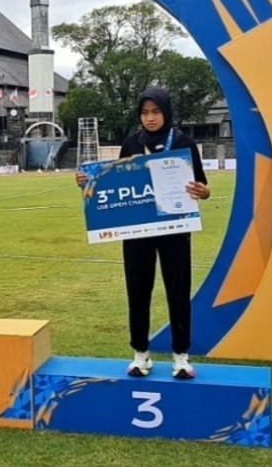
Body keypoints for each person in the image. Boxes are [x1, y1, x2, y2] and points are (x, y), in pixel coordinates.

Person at [75, 87, 210, 379]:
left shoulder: (183, 143)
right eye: (145, 112)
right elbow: (113, 181)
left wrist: (204, 191)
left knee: (178, 291)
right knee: (137, 291)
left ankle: (181, 357)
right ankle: (140, 355)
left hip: (175, 230)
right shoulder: (132, 143)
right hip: (137, 231)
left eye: (156, 112)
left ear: (166, 112)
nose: (150, 118)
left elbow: (202, 185)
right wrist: (88, 181)